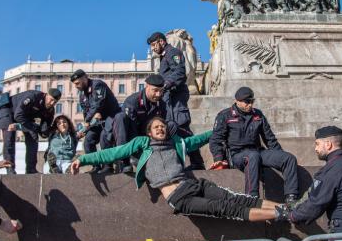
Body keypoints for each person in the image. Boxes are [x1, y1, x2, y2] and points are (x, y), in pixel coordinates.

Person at [71, 117, 284, 222]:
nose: (161, 128)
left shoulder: (176, 143)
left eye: (163, 126)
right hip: (178, 197)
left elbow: (198, 139)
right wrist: (84, 159)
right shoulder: (142, 144)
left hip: (192, 184)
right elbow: (114, 153)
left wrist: (220, 130)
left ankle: (287, 208)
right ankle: (280, 215)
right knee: (226, 209)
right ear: (149, 132)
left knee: (238, 198)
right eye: (156, 127)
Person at [209, 87, 299, 205]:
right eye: (247, 102)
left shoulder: (258, 115)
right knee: (252, 156)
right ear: (237, 101)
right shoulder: (225, 116)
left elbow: (269, 138)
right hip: (237, 155)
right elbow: (215, 140)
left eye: (252, 101)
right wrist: (219, 159)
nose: (250, 105)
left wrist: (279, 154)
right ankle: (252, 199)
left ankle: (291, 198)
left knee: (288, 158)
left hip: (258, 152)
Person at [276, 126, 342, 233]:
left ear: (328, 144)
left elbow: (316, 204)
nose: (315, 148)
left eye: (317, 144)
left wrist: (291, 216)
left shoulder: (331, 170)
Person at [147, 31, 205, 170]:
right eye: (151, 46)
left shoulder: (173, 53)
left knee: (182, 127)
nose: (153, 48)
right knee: (174, 128)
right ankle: (185, 162)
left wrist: (165, 86)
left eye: (154, 45)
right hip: (169, 98)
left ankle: (197, 162)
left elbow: (179, 72)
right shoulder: (164, 57)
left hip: (176, 97)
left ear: (161, 41)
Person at [111, 74, 176, 173]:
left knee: (171, 125)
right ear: (147, 87)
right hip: (131, 138)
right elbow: (131, 129)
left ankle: (163, 154)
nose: (158, 94)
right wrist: (137, 151)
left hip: (149, 137)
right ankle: (124, 160)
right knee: (120, 117)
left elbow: (165, 123)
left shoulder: (161, 103)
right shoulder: (132, 101)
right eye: (155, 90)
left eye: (161, 91)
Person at [0, 88, 61, 174]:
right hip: (9, 110)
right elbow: (18, 116)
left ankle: (31, 169)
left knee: (33, 139)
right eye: (51, 100)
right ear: (46, 95)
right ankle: (10, 168)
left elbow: (44, 131)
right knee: (9, 138)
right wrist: (34, 127)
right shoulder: (33, 97)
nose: (52, 103)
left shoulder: (50, 110)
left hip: (26, 118)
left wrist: (51, 131)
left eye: (55, 102)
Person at [70, 69, 121, 173]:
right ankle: (95, 166)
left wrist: (88, 119)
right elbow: (86, 112)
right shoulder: (82, 95)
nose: (76, 86)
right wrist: (86, 128)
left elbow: (98, 103)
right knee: (88, 141)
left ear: (84, 78)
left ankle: (108, 166)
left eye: (77, 83)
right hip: (98, 121)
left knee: (104, 137)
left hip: (111, 116)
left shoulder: (97, 85)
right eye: (75, 84)